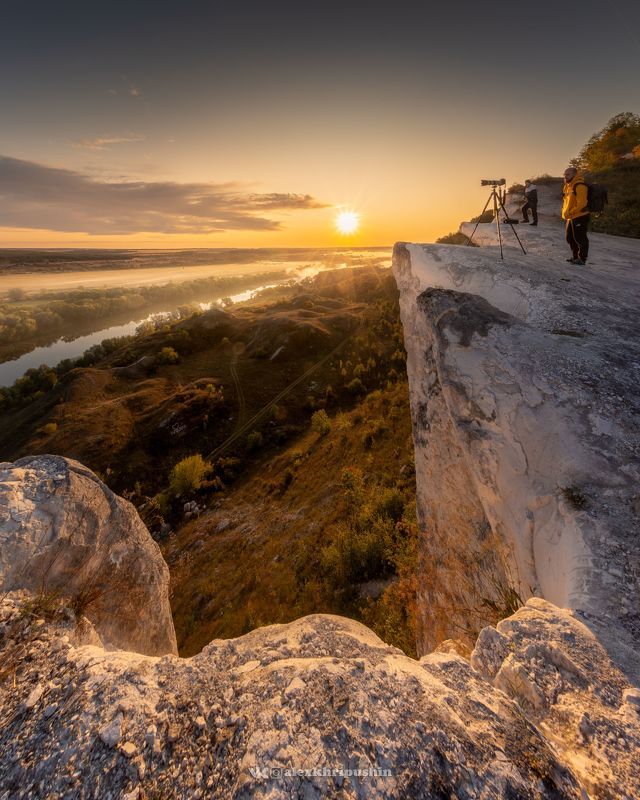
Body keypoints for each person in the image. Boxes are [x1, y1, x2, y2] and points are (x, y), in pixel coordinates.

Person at [562, 167, 590, 265]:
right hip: (571, 217)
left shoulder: (580, 185)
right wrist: (566, 213)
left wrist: (571, 212)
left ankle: (582, 259)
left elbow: (582, 203)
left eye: (568, 174)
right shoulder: (567, 186)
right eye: (564, 174)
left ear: (575, 174)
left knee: (580, 238)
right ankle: (575, 257)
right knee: (569, 238)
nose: (565, 176)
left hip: (580, 216)